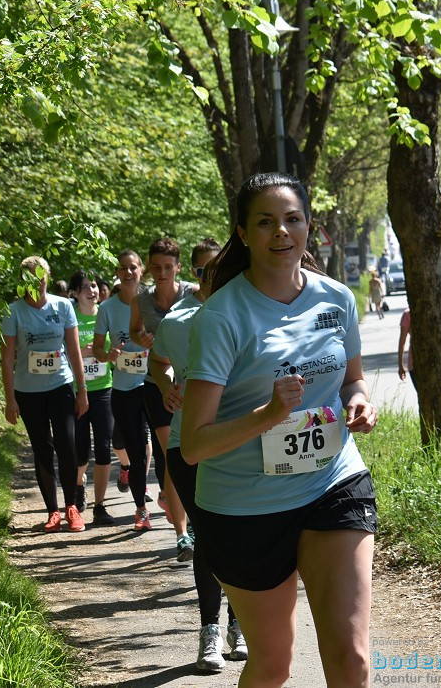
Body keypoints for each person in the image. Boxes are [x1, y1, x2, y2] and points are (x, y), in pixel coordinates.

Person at [181, 172, 378, 687]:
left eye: (292, 219)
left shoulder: (336, 299)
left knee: (351, 658)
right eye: (265, 222)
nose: (281, 232)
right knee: (273, 663)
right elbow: (196, 444)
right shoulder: (221, 317)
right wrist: (267, 416)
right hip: (245, 506)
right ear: (243, 233)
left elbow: (352, 379)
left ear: (308, 226)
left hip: (331, 482)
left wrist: (359, 402)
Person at [150, 238, 248, 671]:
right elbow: (156, 361)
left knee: (234, 536)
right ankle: (212, 633)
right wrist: (166, 384)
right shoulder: (180, 317)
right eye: (209, 270)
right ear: (203, 277)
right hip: (186, 445)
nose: (217, 277)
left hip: (236, 442)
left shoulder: (246, 313)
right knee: (208, 536)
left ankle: (237, 623)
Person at [1, 256, 89, 533]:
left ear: (48, 276)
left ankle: (71, 507)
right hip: (28, 392)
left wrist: (82, 391)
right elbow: (7, 359)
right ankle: (52, 511)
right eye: (29, 276)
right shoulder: (12, 311)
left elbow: (74, 351)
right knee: (42, 449)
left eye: (41, 275)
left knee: (67, 444)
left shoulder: (62, 306)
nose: (36, 281)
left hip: (60, 386)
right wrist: (9, 399)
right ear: (22, 279)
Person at [130, 238, 198, 550]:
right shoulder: (141, 298)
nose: (162, 272)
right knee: (174, 454)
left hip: (191, 382)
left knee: (186, 454)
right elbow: (134, 330)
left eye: (168, 267)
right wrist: (142, 340)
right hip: (156, 382)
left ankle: (189, 515)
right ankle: (182, 533)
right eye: (156, 267)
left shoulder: (192, 293)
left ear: (178, 268)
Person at [93, 251, 156, 530]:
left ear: (141, 270)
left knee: (163, 446)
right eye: (123, 268)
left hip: (155, 384)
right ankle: (141, 508)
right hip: (123, 389)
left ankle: (166, 494)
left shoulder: (154, 300)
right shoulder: (107, 309)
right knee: (135, 448)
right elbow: (97, 349)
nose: (128, 272)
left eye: (133, 267)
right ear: (117, 273)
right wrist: (108, 355)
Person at [69, 270, 117, 526]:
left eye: (95, 285)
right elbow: (60, 352)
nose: (92, 290)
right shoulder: (71, 317)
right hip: (77, 390)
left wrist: (109, 354)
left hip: (104, 388)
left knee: (103, 446)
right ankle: (78, 486)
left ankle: (100, 505)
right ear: (75, 293)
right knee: (80, 449)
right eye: (85, 287)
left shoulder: (106, 315)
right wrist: (83, 351)